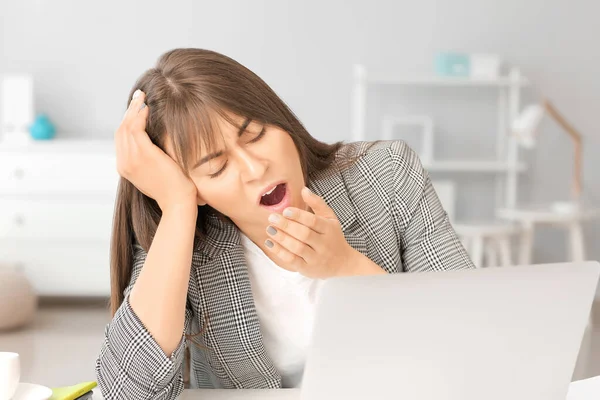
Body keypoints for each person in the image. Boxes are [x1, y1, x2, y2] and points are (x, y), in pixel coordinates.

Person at [95, 48, 475, 399]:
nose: (254, 167)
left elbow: (469, 333)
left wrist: (345, 267)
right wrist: (177, 207)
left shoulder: (387, 173)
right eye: (216, 166)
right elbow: (125, 395)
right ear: (195, 190)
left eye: (255, 135)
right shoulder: (183, 239)